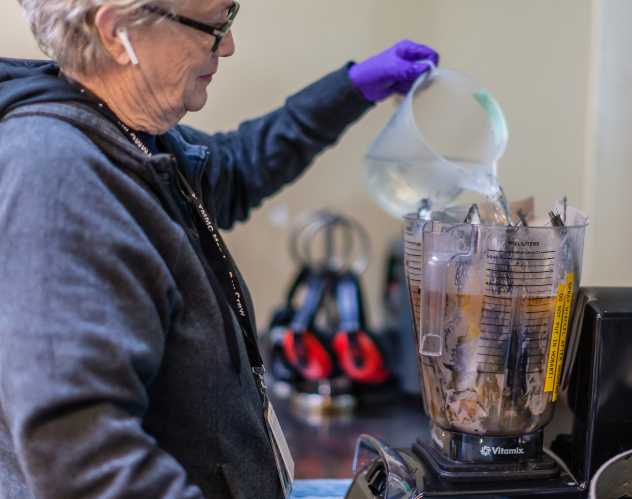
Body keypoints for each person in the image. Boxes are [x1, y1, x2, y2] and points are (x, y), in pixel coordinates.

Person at [0, 1, 439, 497]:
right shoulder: (55, 175)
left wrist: (353, 87)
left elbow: (235, 167)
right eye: (212, 25)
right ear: (118, 32)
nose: (227, 45)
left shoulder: (139, 139)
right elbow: (83, 462)